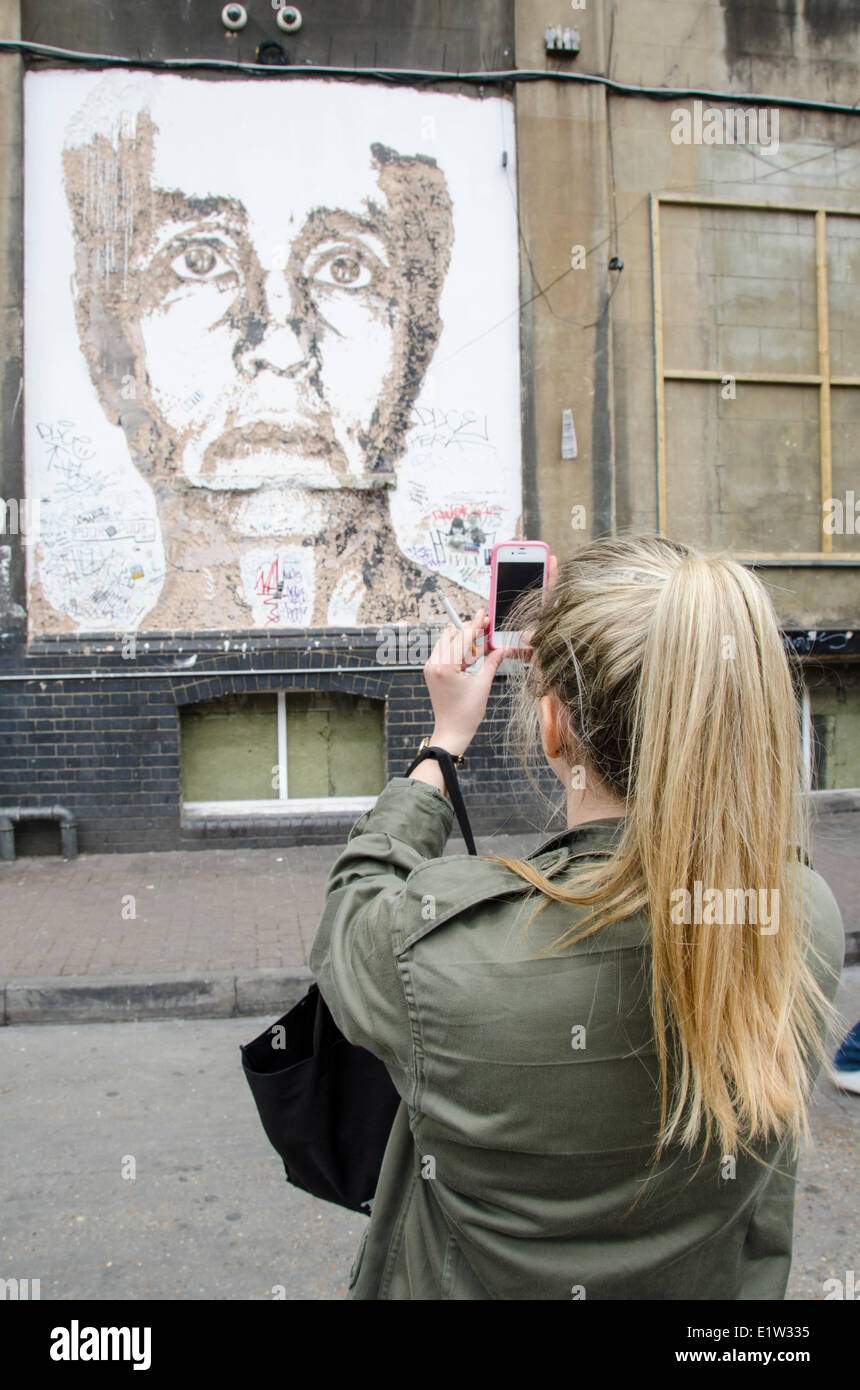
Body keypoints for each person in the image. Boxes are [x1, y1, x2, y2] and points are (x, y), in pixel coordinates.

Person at [309, 534, 844, 1300]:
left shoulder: (438, 953)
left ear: (555, 727)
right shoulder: (797, 917)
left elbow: (351, 910)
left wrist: (441, 745)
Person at [51, 74, 487, 629]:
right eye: (200, 262)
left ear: (416, 348)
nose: (280, 348)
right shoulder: (78, 639)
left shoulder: (472, 638)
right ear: (105, 348)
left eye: (344, 268)